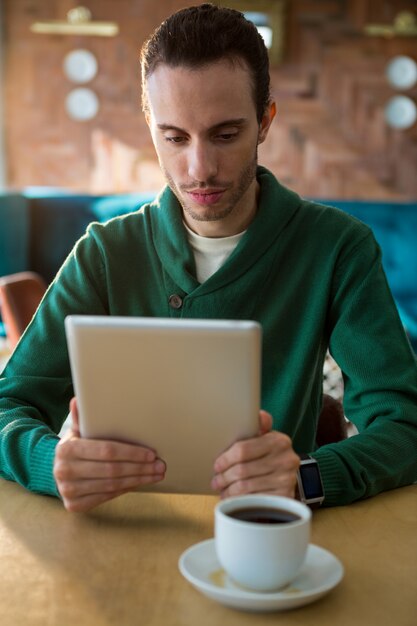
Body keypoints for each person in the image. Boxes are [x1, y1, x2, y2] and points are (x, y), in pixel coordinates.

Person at [1, 4, 416, 513]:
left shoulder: (337, 247)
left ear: (265, 121)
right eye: (174, 137)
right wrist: (50, 461)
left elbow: (403, 422)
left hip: (269, 538)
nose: (200, 168)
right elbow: (8, 405)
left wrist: (309, 478)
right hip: (122, 532)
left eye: (225, 134)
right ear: (150, 125)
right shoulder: (104, 253)